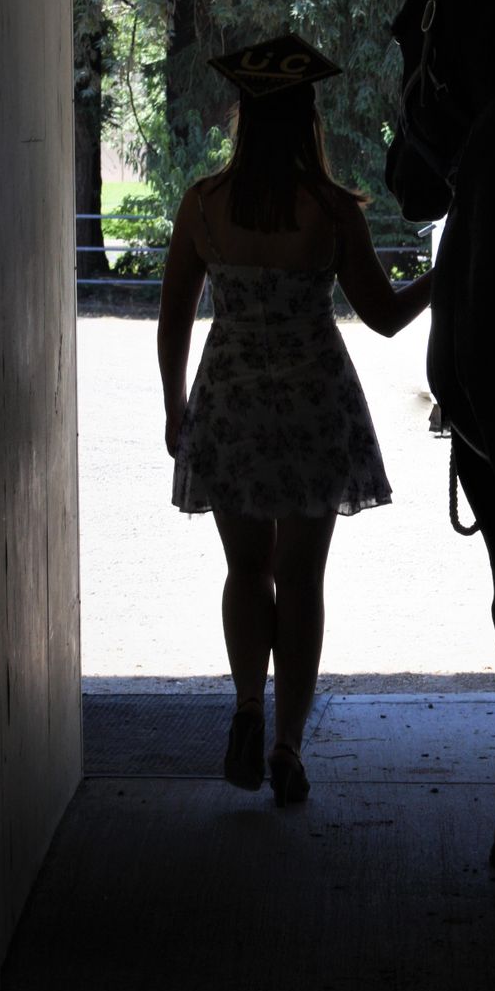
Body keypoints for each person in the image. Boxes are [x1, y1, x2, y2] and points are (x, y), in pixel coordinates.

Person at [157, 53, 433, 807]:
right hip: (314, 404)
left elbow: (175, 313)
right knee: (303, 579)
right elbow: (383, 316)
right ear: (308, 121)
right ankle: (287, 747)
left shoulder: (204, 204)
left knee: (247, 569)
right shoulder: (333, 209)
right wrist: (446, 274)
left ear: (244, 120)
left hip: (232, 404)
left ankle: (248, 705)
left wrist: (174, 406)